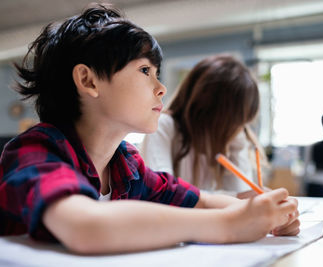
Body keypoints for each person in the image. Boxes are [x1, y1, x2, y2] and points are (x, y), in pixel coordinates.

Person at [0, 4, 299, 254]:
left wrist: (267, 214)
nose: (161, 88)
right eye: (145, 71)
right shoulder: (34, 151)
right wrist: (229, 225)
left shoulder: (127, 166)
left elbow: (203, 201)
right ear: (89, 81)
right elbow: (87, 226)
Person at [141, 55, 268, 198]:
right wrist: (237, 197)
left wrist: (237, 141)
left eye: (240, 123)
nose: (235, 128)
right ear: (206, 108)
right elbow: (164, 194)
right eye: (232, 122)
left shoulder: (229, 136)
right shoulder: (164, 125)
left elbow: (241, 192)